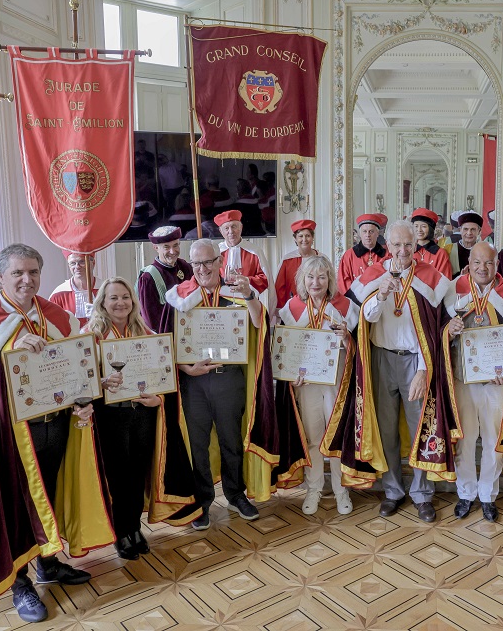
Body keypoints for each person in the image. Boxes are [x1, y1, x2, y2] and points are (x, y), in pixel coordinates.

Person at [0, 244, 113, 622]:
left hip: (56, 426)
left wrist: (83, 399)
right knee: (13, 505)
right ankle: (19, 582)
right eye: (17, 273)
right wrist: (11, 351)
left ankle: (48, 564)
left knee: (49, 493)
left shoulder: (54, 315)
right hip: (8, 436)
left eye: (33, 272)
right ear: (0, 277)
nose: (27, 280)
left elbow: (74, 368)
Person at [163, 239, 298, 530]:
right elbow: (167, 343)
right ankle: (202, 502)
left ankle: (235, 494)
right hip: (194, 383)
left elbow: (260, 323)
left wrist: (250, 295)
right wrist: (185, 367)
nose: (202, 269)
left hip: (229, 380)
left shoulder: (237, 292)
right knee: (197, 445)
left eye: (208, 262)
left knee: (231, 440)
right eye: (196, 263)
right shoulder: (178, 296)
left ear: (220, 261)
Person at [85, 278, 200, 559]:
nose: (120, 303)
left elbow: (162, 374)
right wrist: (102, 382)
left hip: (142, 413)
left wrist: (159, 399)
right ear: (102, 303)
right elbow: (81, 381)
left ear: (133, 301)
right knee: (118, 476)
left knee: (137, 473)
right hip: (110, 417)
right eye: (113, 298)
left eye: (125, 297)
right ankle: (120, 531)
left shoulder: (144, 331)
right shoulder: (90, 336)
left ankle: (134, 527)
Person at [350, 220, 453, 523]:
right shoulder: (374, 274)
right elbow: (365, 319)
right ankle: (393, 490)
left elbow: (435, 329)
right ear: (388, 245)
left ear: (415, 245)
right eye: (397, 244)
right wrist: (381, 294)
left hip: (415, 363)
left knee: (420, 427)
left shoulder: (430, 278)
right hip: (382, 359)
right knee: (386, 430)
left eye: (409, 244)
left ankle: (422, 494)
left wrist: (423, 369)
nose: (403, 250)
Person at [444, 242, 503, 522]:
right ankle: (466, 493)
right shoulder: (452, 290)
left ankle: (488, 495)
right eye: (477, 262)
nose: (482, 268)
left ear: (497, 264)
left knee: (493, 441)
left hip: (496, 381)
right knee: (465, 440)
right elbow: (435, 331)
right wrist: (449, 331)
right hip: (463, 378)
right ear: (469, 263)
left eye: (489, 262)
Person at [277, 255, 359, 515]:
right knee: (313, 436)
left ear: (329, 280)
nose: (316, 282)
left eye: (322, 277)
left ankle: (341, 490)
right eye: (310, 277)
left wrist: (346, 337)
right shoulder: (291, 308)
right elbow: (285, 348)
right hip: (306, 382)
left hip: (336, 380)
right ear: (302, 280)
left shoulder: (345, 307)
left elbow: (358, 349)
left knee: (336, 435)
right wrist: (290, 375)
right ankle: (314, 488)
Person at [214, 209, 274, 312]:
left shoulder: (255, 251)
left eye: (234, 226)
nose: (231, 232)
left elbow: (265, 279)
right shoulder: (216, 253)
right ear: (221, 231)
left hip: (249, 301)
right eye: (226, 228)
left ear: (241, 227)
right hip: (221, 302)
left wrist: (246, 281)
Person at [137, 226, 193, 333]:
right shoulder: (148, 277)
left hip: (189, 330)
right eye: (166, 247)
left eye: (175, 245)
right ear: (156, 248)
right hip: (165, 335)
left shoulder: (185, 267)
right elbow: (150, 320)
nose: (172, 251)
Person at [339, 213, 389, 296]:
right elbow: (343, 282)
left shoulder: (387, 255)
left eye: (371, 231)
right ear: (360, 234)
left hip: (380, 298)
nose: (367, 235)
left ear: (377, 234)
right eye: (364, 231)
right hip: (355, 300)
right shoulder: (349, 255)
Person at [275, 219, 320, 307]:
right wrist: (281, 310)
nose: (304, 239)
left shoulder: (321, 259)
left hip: (317, 306)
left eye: (308, 236)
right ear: (295, 239)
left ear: (312, 238)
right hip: (293, 307)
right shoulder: (287, 260)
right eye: (300, 236)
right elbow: (279, 288)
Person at [49, 250, 99, 326]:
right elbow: (52, 325)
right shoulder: (58, 294)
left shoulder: (106, 289)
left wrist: (100, 314)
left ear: (93, 263)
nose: (77, 267)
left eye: (82, 262)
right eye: (72, 263)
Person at [411, 207, 453, 279]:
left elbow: (445, 280)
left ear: (430, 229)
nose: (419, 230)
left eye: (423, 226)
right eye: (416, 226)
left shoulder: (440, 254)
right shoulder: (408, 251)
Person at [449, 211, 483, 276]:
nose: (469, 233)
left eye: (473, 229)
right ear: (460, 230)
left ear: (479, 231)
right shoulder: (449, 249)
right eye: (465, 229)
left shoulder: (484, 250)